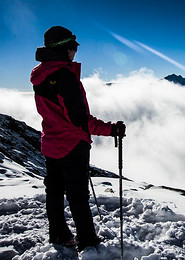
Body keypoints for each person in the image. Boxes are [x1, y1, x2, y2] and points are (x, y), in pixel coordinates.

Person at [30, 26, 126, 251]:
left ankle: (58, 235)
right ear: (64, 48)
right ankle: (88, 240)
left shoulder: (41, 75)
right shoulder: (66, 77)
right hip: (72, 144)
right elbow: (80, 120)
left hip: (51, 142)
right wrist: (112, 130)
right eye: (73, 46)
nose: (75, 51)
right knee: (77, 194)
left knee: (53, 191)